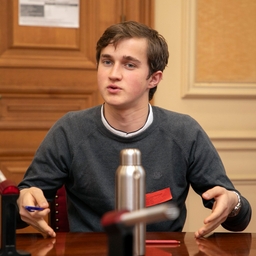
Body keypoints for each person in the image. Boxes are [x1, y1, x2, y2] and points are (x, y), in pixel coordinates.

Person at [17, 21, 251, 239]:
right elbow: (21, 208)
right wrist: (23, 202)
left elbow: (238, 219)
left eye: (129, 65)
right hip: (90, 250)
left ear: (154, 78)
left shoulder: (184, 132)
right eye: (107, 62)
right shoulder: (69, 130)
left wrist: (233, 202)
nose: (113, 74)